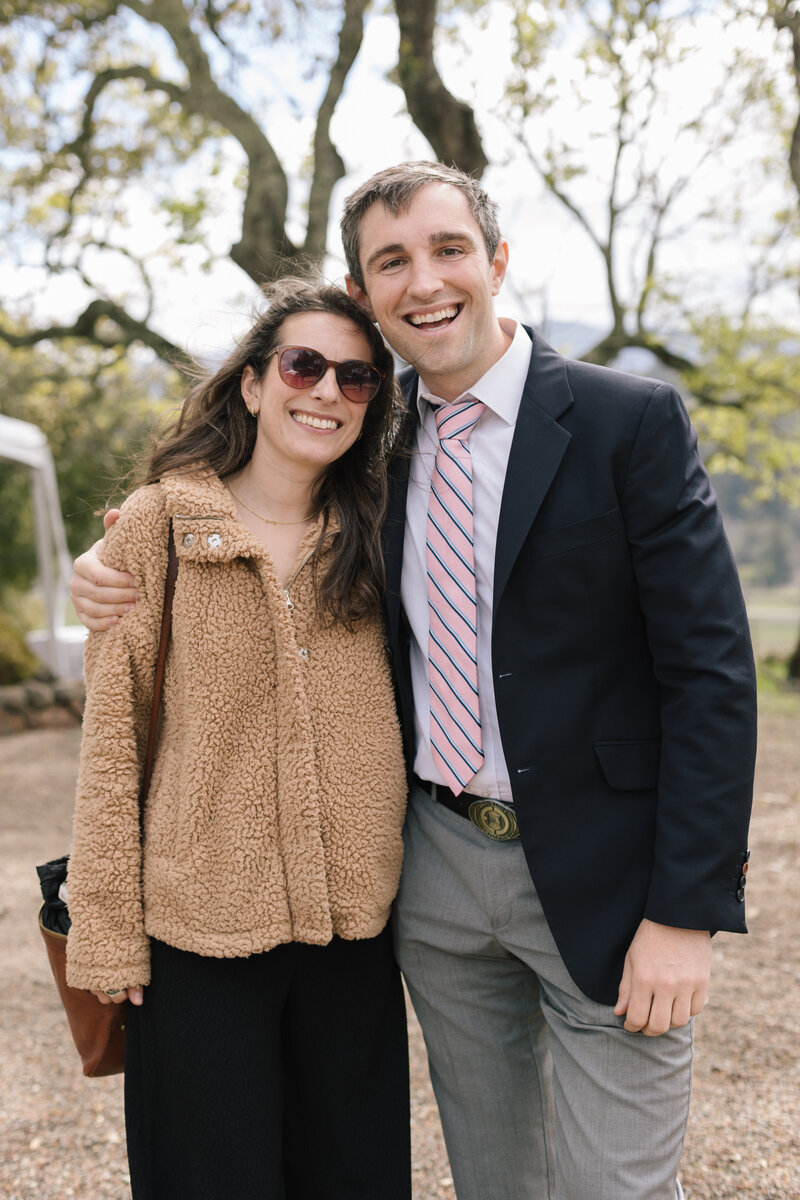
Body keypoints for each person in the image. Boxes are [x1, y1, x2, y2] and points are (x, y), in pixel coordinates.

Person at [72, 162, 757, 1200]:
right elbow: (252, 516)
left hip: (608, 877)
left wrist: (686, 911)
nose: (423, 281)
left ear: (496, 263)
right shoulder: (364, 437)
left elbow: (709, 673)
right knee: (494, 1181)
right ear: (363, 292)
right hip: (431, 876)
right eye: (391, 261)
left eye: (447, 250)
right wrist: (117, 553)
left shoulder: (628, 423)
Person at [65, 277, 411, 1200]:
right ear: (254, 384)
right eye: (303, 364)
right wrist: (105, 935)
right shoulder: (158, 526)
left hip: (356, 940)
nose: (327, 390)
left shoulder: (382, 531)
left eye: (357, 377)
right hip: (197, 940)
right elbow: (112, 745)